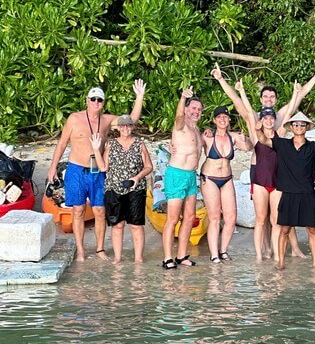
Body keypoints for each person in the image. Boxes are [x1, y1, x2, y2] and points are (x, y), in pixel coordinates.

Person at [46, 81, 146, 261]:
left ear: (103, 103)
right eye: (93, 99)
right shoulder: (74, 118)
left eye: (99, 100)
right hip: (76, 169)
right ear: (87, 100)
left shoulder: (107, 120)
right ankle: (81, 251)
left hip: (97, 170)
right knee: (78, 210)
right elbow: (62, 143)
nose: (96, 103)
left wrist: (139, 97)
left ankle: (100, 249)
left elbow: (131, 120)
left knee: (100, 210)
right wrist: (53, 166)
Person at [254, 112, 315, 270]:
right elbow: (263, 140)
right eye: (296, 124)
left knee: (312, 230)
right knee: (284, 230)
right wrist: (258, 130)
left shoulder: (313, 146)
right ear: (291, 127)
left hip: (307, 194)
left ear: (307, 127)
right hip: (287, 193)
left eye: (302, 124)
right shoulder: (282, 144)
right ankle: (281, 262)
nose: (299, 127)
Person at [230, 77, 306, 262]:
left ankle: (275, 253)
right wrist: (240, 90)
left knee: (275, 220)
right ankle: (260, 255)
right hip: (260, 181)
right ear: (261, 120)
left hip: (276, 181)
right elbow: (247, 110)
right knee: (261, 219)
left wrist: (296, 93)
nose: (269, 120)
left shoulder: (280, 134)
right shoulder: (257, 135)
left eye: (271, 118)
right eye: (266, 118)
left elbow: (288, 113)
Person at [90, 114, 153, 263]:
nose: (125, 128)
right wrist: (96, 149)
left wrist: (137, 178)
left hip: (135, 188)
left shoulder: (139, 143)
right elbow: (103, 167)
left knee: (136, 225)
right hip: (114, 188)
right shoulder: (111, 144)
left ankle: (138, 258)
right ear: (118, 128)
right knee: (117, 225)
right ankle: (118, 258)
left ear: (132, 127)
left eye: (128, 125)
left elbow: (149, 166)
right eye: (123, 125)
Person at [201, 105, 253, 263]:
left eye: (225, 117)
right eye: (219, 117)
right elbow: (193, 145)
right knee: (215, 217)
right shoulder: (208, 136)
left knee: (231, 218)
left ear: (229, 119)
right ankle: (214, 254)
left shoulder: (234, 136)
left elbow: (249, 148)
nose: (222, 119)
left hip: (227, 178)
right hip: (210, 178)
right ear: (214, 120)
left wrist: (246, 139)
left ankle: (223, 250)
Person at [162, 87, 203, 269]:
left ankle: (181, 255)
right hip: (177, 174)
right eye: (193, 108)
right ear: (186, 109)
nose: (196, 112)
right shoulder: (181, 124)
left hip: (191, 177)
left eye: (199, 110)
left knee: (189, 216)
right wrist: (182, 97)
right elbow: (178, 116)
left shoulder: (197, 130)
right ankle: (167, 258)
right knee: (173, 218)